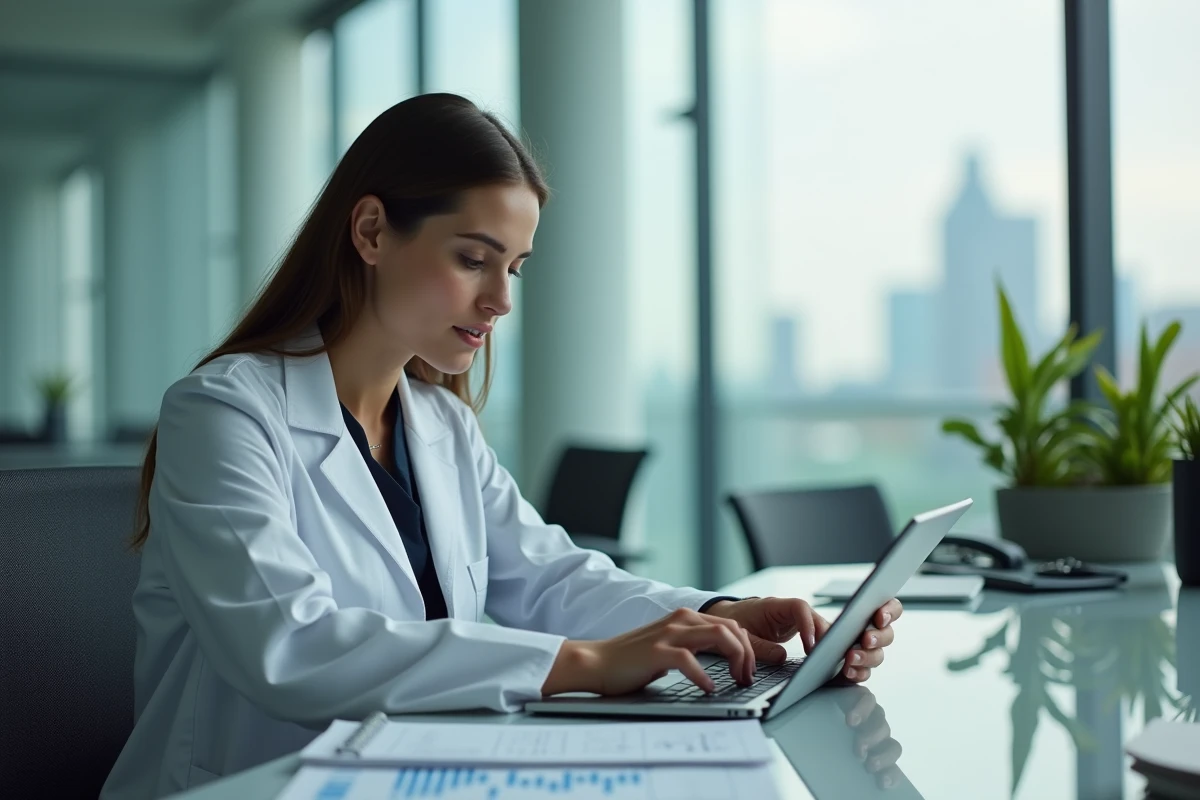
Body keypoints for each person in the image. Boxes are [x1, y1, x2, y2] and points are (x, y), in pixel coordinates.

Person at [100, 93, 902, 800]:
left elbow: (547, 576)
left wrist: (715, 616)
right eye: (473, 259)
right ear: (372, 231)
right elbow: (288, 644)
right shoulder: (225, 413)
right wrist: (584, 666)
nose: (500, 300)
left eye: (513, 266)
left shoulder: (439, 424)